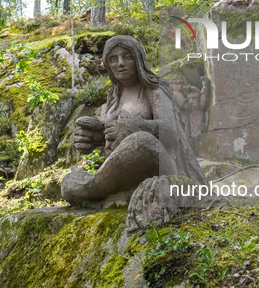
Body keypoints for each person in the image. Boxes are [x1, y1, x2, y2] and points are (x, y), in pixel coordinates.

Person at [61, 35, 206, 204]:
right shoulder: (114, 95)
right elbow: (115, 136)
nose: (120, 63)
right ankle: (100, 189)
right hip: (123, 168)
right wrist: (96, 138)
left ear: (138, 60)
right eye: (113, 59)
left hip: (159, 163)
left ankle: (92, 188)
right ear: (108, 65)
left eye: (127, 57)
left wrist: (140, 125)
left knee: (141, 141)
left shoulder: (154, 89)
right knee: (66, 181)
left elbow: (171, 132)